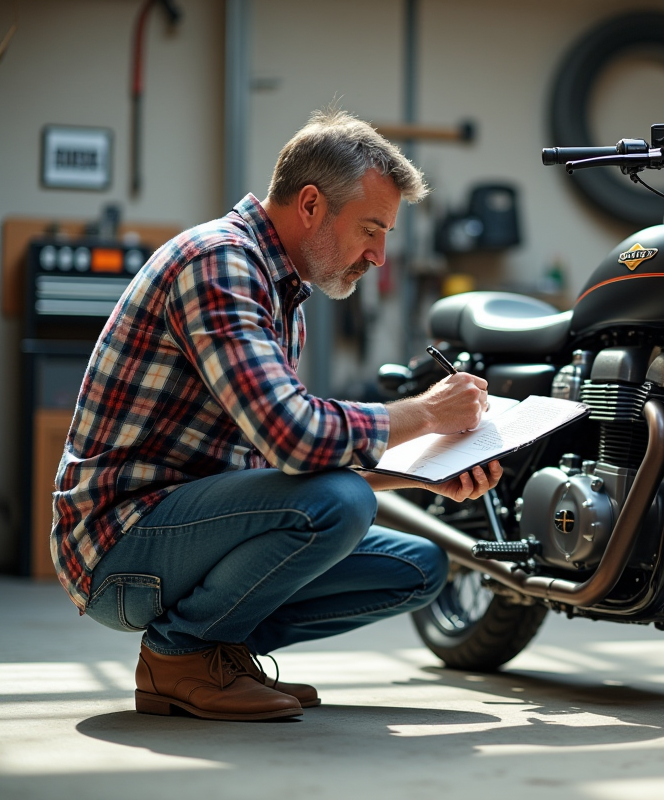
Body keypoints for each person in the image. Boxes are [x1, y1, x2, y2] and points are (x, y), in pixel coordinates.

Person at [51, 109, 500, 722]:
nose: (378, 256)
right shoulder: (219, 263)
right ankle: (178, 655)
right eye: (372, 228)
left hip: (191, 529)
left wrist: (426, 476)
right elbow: (296, 438)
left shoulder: (282, 298)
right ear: (311, 205)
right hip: (119, 549)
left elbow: (282, 463)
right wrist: (425, 413)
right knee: (342, 503)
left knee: (419, 568)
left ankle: (220, 650)